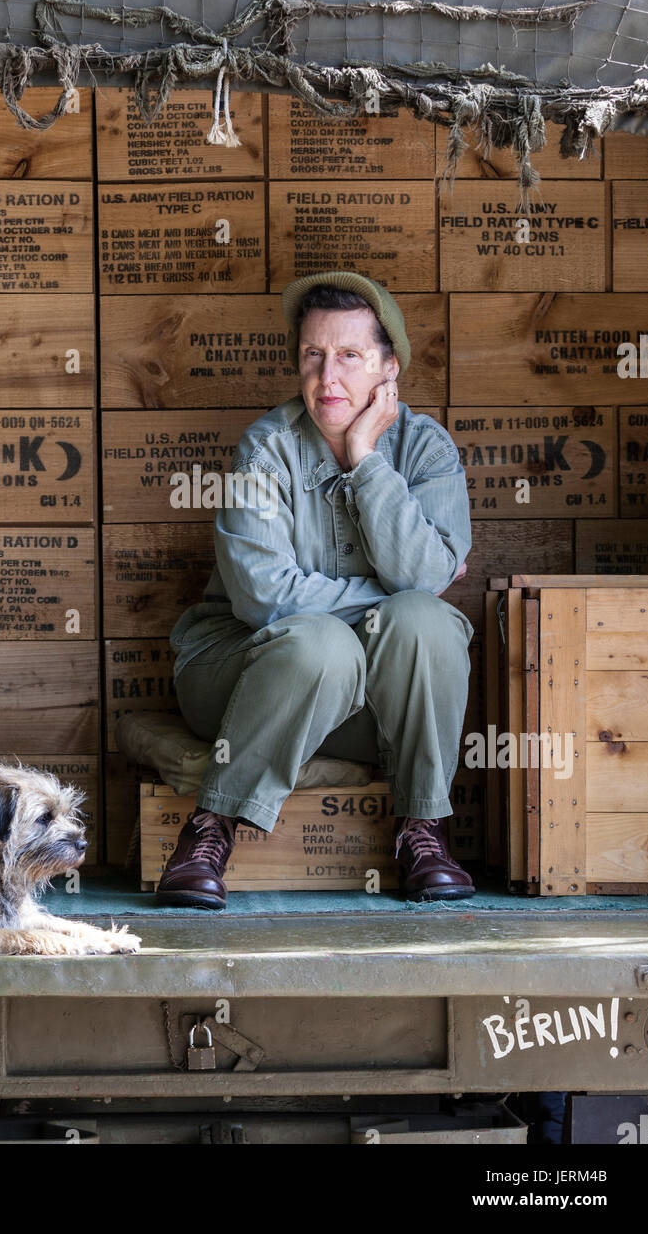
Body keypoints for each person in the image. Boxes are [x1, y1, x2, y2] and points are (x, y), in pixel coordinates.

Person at [158, 271, 475, 909]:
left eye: (350, 357)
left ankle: (423, 830)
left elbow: (423, 586)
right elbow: (263, 597)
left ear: (389, 368)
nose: (327, 378)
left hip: (366, 712)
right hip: (243, 679)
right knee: (324, 644)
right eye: (313, 355)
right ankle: (210, 828)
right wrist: (392, 594)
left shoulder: (426, 450)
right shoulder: (265, 449)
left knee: (427, 623)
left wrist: (366, 459)